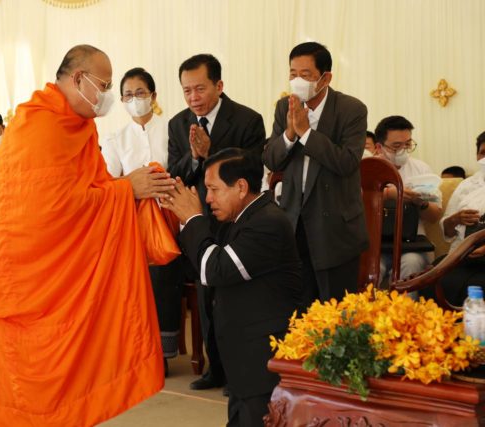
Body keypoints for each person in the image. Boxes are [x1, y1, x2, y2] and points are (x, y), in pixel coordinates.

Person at [0, 44, 173, 427]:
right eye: (106, 85)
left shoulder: (77, 125)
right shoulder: (41, 123)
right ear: (79, 79)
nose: (109, 95)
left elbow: (86, 190)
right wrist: (125, 190)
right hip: (24, 265)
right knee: (29, 372)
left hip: (55, 258)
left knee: (67, 366)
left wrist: (127, 189)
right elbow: (51, 207)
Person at [161, 147, 302, 427]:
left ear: (241, 187)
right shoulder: (240, 218)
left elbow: (214, 269)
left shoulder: (267, 223)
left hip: (263, 366)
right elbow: (199, 264)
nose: (208, 198)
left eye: (214, 189)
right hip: (243, 364)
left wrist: (193, 219)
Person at [168, 53, 266, 392]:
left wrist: (213, 152)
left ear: (219, 85)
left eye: (200, 89)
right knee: (206, 299)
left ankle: (241, 369)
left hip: (238, 222)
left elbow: (251, 173)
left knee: (237, 298)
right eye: (186, 91)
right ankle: (216, 369)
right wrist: (195, 156)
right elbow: (176, 174)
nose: (193, 97)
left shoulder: (248, 120)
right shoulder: (178, 124)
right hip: (200, 223)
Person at [263, 41, 368, 307]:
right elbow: (271, 159)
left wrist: (306, 133)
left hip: (335, 228)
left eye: (306, 74)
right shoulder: (284, 107)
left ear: (325, 78)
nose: (297, 81)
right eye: (293, 73)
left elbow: (347, 162)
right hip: (294, 222)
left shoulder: (351, 109)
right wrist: (290, 133)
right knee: (298, 310)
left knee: (336, 312)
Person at [101, 67, 182, 373]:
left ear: (153, 96)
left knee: (163, 274)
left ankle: (161, 351)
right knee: (128, 276)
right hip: (132, 219)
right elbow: (108, 182)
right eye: (128, 95)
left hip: (172, 216)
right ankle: (135, 348)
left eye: (140, 93)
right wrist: (134, 184)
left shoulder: (173, 129)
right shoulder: (115, 138)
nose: (135, 100)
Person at [374, 115, 443, 283]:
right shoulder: (368, 168)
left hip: (412, 245)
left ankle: (405, 302)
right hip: (375, 244)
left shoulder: (422, 169)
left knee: (410, 263)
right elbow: (354, 204)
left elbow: (435, 216)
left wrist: (421, 203)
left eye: (408, 144)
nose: (403, 150)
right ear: (379, 147)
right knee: (373, 268)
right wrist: (388, 194)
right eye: (397, 146)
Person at [421, 131, 485, 305]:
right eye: (482, 153)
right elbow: (447, 231)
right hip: (460, 256)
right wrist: (455, 219)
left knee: (475, 286)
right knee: (430, 281)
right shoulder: (466, 186)